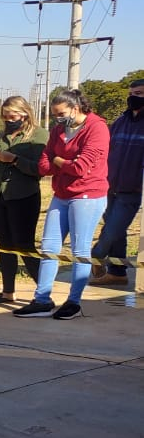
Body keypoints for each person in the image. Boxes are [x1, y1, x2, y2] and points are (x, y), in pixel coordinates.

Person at [14, 89, 110, 320]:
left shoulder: (97, 129)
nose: (58, 118)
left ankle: (74, 302)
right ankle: (42, 299)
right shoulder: (58, 130)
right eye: (55, 114)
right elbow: (44, 163)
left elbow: (81, 168)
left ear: (75, 108)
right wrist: (62, 161)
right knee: (49, 247)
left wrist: (59, 160)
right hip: (62, 194)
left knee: (79, 250)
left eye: (61, 113)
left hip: (87, 195)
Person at [0, 97, 48, 303]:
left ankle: (44, 295)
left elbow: (40, 169)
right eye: (6, 116)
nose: (9, 120)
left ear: (25, 113)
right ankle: (7, 292)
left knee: (24, 244)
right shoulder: (1, 135)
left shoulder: (39, 136)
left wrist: (15, 159)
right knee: (4, 244)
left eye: (13, 116)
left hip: (23, 196)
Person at [89, 79, 144, 286]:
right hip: (109, 185)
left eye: (139, 93)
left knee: (113, 230)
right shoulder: (121, 122)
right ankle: (117, 273)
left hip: (133, 189)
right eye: (132, 93)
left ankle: (96, 255)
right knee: (116, 232)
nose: (133, 97)